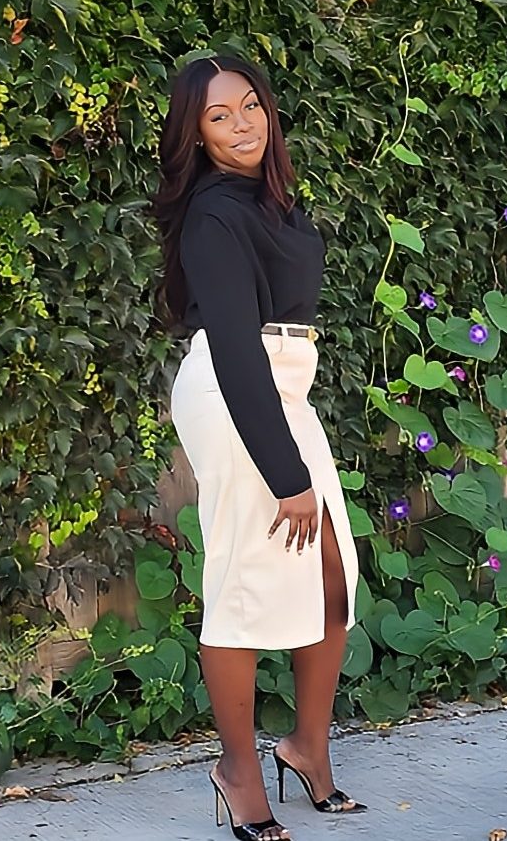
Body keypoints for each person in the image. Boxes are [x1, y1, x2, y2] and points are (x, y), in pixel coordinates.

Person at [153, 55, 365, 841]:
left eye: (250, 106)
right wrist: (286, 475)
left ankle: (307, 746)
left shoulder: (270, 195)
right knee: (242, 581)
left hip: (284, 386)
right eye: (220, 116)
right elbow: (237, 348)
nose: (242, 125)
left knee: (333, 573)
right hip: (234, 388)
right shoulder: (214, 215)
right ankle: (238, 770)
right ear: (196, 135)